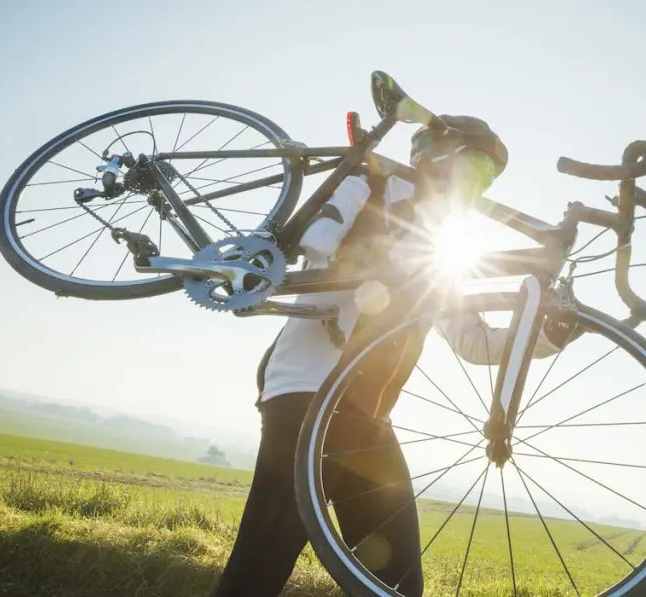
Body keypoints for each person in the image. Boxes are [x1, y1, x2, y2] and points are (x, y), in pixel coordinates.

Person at [213, 115, 584, 596]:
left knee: (398, 588)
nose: (478, 187)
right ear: (439, 154)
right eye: (476, 169)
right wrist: (383, 248)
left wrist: (551, 335)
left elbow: (474, 341)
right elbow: (317, 242)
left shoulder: (443, 248)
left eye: (489, 179)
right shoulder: (374, 186)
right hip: (306, 395)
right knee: (256, 574)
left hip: (368, 419)